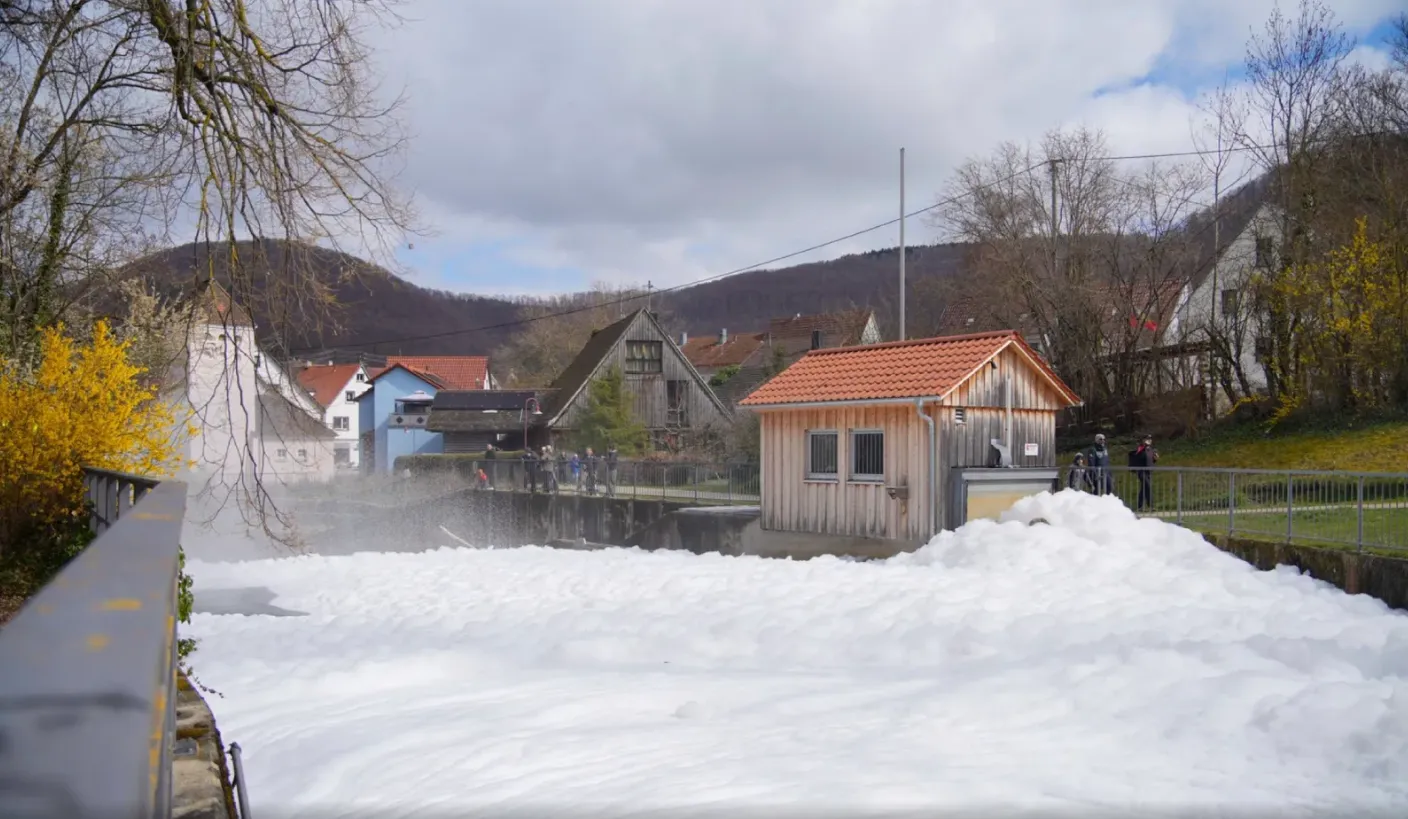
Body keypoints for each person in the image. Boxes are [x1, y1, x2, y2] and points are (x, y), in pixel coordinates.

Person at [1129, 434, 1159, 511]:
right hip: (1141, 471)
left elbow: (1151, 460)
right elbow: (1138, 457)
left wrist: (1155, 459)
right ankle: (1151, 506)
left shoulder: (1151, 450)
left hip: (1149, 471)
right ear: (1143, 440)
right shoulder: (1141, 449)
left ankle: (1140, 506)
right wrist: (1144, 447)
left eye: (1150, 439)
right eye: (1147, 439)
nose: (1149, 440)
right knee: (1148, 486)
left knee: (1144, 488)